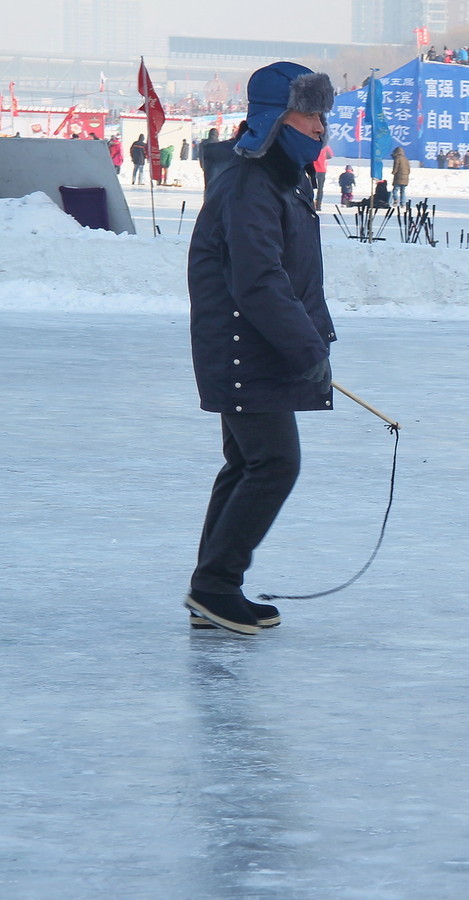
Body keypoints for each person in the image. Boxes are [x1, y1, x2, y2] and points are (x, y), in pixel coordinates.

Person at [185, 60, 337, 634]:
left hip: (254, 346)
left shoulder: (279, 178)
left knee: (248, 461)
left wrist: (312, 340)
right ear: (277, 117)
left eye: (323, 114)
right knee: (274, 462)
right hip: (246, 349)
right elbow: (259, 281)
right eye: (310, 113)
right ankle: (216, 587)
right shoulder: (250, 183)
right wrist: (307, 351)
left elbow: (290, 276)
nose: (321, 126)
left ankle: (214, 587)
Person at [313, 143, 333, 210]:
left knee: (310, 187)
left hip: (312, 169)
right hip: (322, 169)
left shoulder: (312, 143)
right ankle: (318, 206)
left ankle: (310, 204)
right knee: (320, 189)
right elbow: (330, 156)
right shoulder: (325, 146)